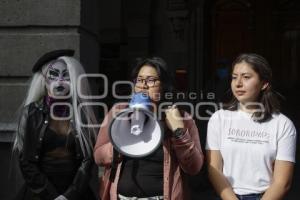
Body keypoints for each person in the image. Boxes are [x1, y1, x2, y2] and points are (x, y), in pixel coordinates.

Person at [94, 57, 204, 200]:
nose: (143, 86)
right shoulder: (118, 112)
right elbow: (98, 156)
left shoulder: (181, 117)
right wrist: (119, 142)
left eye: (151, 80)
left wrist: (179, 132)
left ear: (164, 86)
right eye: (139, 80)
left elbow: (194, 167)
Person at [206, 53, 297, 200]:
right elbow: (214, 168)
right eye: (234, 77)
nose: (238, 83)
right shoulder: (219, 119)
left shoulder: (282, 124)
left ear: (264, 83)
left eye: (246, 77)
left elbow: (282, 182)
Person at [13, 50, 98, 200]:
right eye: (53, 75)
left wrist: (69, 196)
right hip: (39, 193)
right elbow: (26, 161)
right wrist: (50, 195)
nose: (59, 81)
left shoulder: (82, 113)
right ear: (44, 80)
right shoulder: (31, 113)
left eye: (66, 75)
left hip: (76, 193)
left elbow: (87, 161)